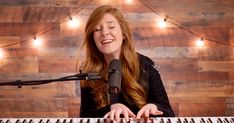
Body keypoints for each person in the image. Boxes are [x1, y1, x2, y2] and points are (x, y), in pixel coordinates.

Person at [79, 5, 175, 121]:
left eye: (111, 27)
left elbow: (168, 112)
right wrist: (111, 108)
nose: (104, 33)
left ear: (124, 34)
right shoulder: (88, 71)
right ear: (93, 38)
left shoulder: (146, 65)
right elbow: (84, 117)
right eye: (97, 29)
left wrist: (154, 106)